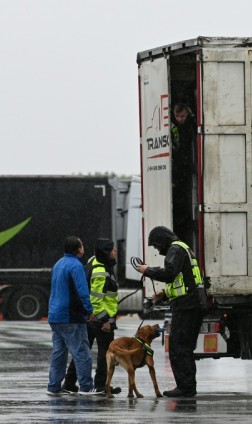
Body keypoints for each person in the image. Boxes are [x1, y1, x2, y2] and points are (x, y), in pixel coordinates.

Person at [136, 226, 203, 397]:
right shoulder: (183, 248)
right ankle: (188, 386)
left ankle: (185, 388)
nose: (157, 250)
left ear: (162, 240)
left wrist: (147, 270)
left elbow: (169, 274)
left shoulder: (175, 249)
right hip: (191, 304)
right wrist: (164, 294)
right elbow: (183, 279)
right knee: (184, 348)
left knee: (178, 347)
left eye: (156, 246)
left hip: (186, 306)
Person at [62, 238, 121, 395]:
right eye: (112, 249)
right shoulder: (101, 271)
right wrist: (105, 320)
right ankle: (101, 386)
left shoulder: (94, 261)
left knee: (82, 351)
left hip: (90, 319)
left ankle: (69, 383)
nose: (115, 251)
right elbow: (96, 300)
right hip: (101, 320)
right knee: (105, 354)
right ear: (105, 253)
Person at [46, 236, 99, 396]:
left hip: (55, 315)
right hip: (70, 316)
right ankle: (86, 387)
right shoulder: (76, 266)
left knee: (59, 354)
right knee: (81, 352)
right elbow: (82, 292)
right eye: (82, 245)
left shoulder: (58, 264)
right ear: (78, 249)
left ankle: (54, 387)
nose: (84, 247)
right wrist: (89, 311)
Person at [171, 103, 196, 245]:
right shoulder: (171, 126)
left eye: (182, 116)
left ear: (187, 114)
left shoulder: (191, 122)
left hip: (186, 167)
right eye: (177, 116)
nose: (180, 119)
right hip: (178, 169)